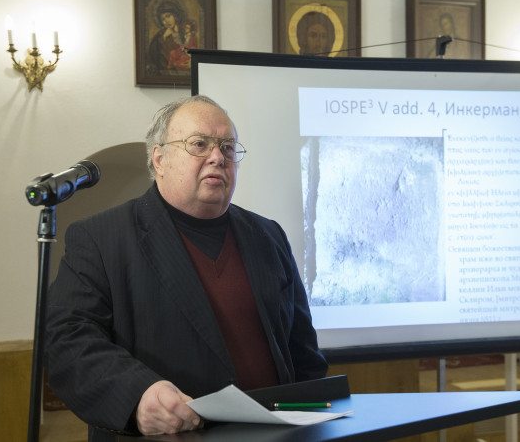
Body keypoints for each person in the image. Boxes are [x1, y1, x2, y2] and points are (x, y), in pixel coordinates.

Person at [45, 95, 328, 441]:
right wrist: (137, 396)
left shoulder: (268, 235)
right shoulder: (101, 238)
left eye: (227, 147)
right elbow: (67, 341)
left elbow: (303, 353)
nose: (217, 157)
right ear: (160, 159)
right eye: (199, 144)